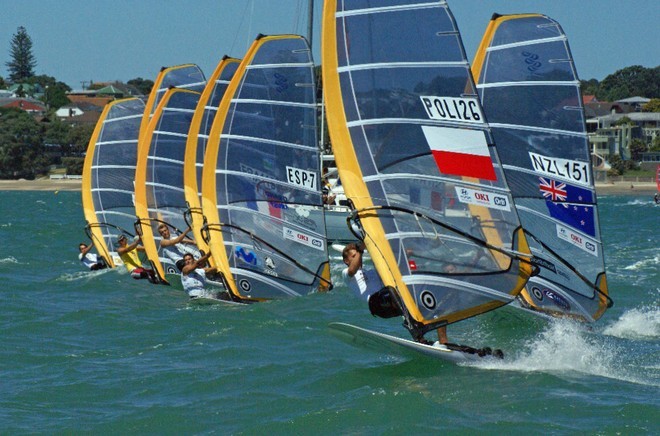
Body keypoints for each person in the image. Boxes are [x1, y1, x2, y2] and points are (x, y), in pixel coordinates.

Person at [343, 242, 449, 345]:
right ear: (346, 260)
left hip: (391, 300)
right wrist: (361, 249)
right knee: (392, 291)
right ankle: (417, 335)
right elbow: (352, 270)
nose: (358, 257)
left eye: (357, 255)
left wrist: (404, 256)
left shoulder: (372, 271)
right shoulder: (347, 273)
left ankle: (443, 343)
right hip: (376, 304)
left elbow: (393, 267)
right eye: (354, 256)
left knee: (434, 305)